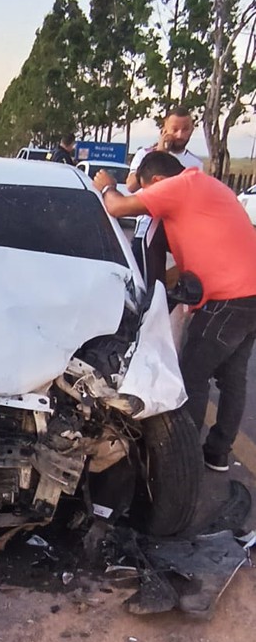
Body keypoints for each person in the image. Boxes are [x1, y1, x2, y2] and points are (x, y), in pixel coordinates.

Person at [94, 151, 256, 472]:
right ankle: (217, 453)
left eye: (146, 190)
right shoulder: (208, 186)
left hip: (228, 299)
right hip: (250, 293)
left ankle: (181, 463)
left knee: (191, 376)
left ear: (156, 182)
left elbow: (116, 207)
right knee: (233, 377)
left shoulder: (181, 186)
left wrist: (107, 186)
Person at [126, 106, 202, 193]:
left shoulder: (196, 164)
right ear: (164, 131)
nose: (180, 135)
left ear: (191, 130)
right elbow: (131, 186)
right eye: (175, 129)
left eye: (185, 129)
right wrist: (159, 154)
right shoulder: (143, 154)